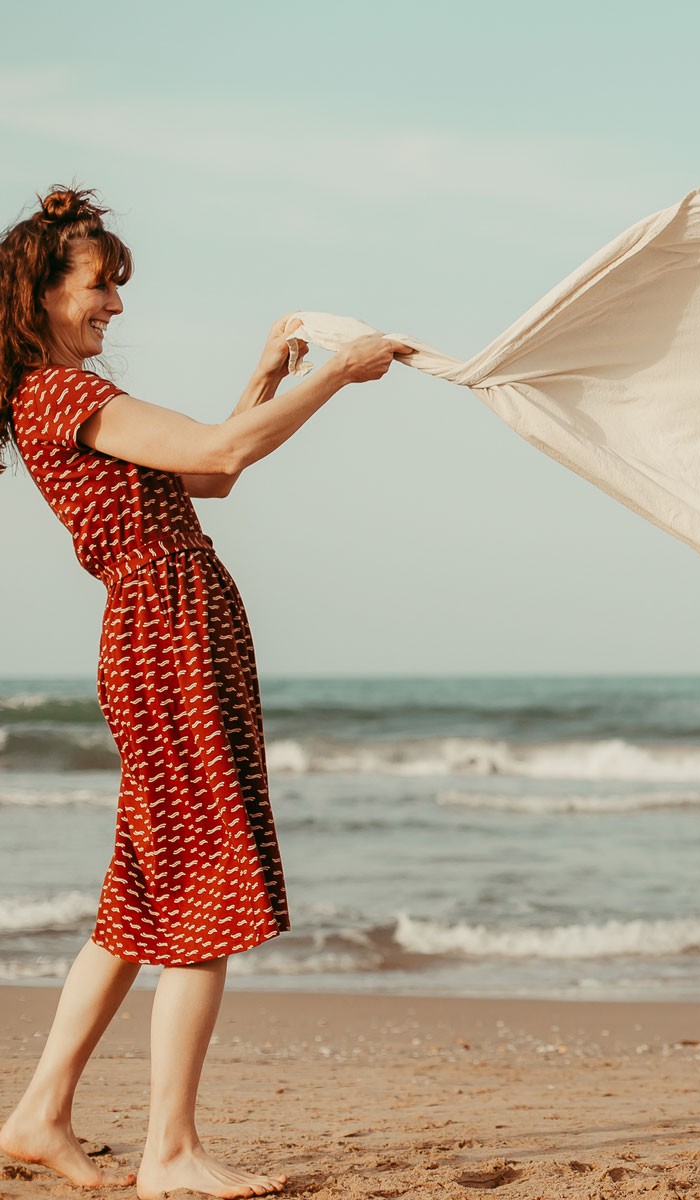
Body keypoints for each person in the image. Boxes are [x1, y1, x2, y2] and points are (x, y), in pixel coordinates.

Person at [0, 186, 412, 1199]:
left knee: (143, 891)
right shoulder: (59, 394)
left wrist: (267, 374)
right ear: (42, 295)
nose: (116, 305)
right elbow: (224, 452)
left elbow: (212, 475)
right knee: (202, 883)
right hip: (167, 634)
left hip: (169, 627)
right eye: (101, 286)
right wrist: (337, 375)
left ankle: (40, 1114)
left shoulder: (65, 398)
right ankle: (171, 1151)